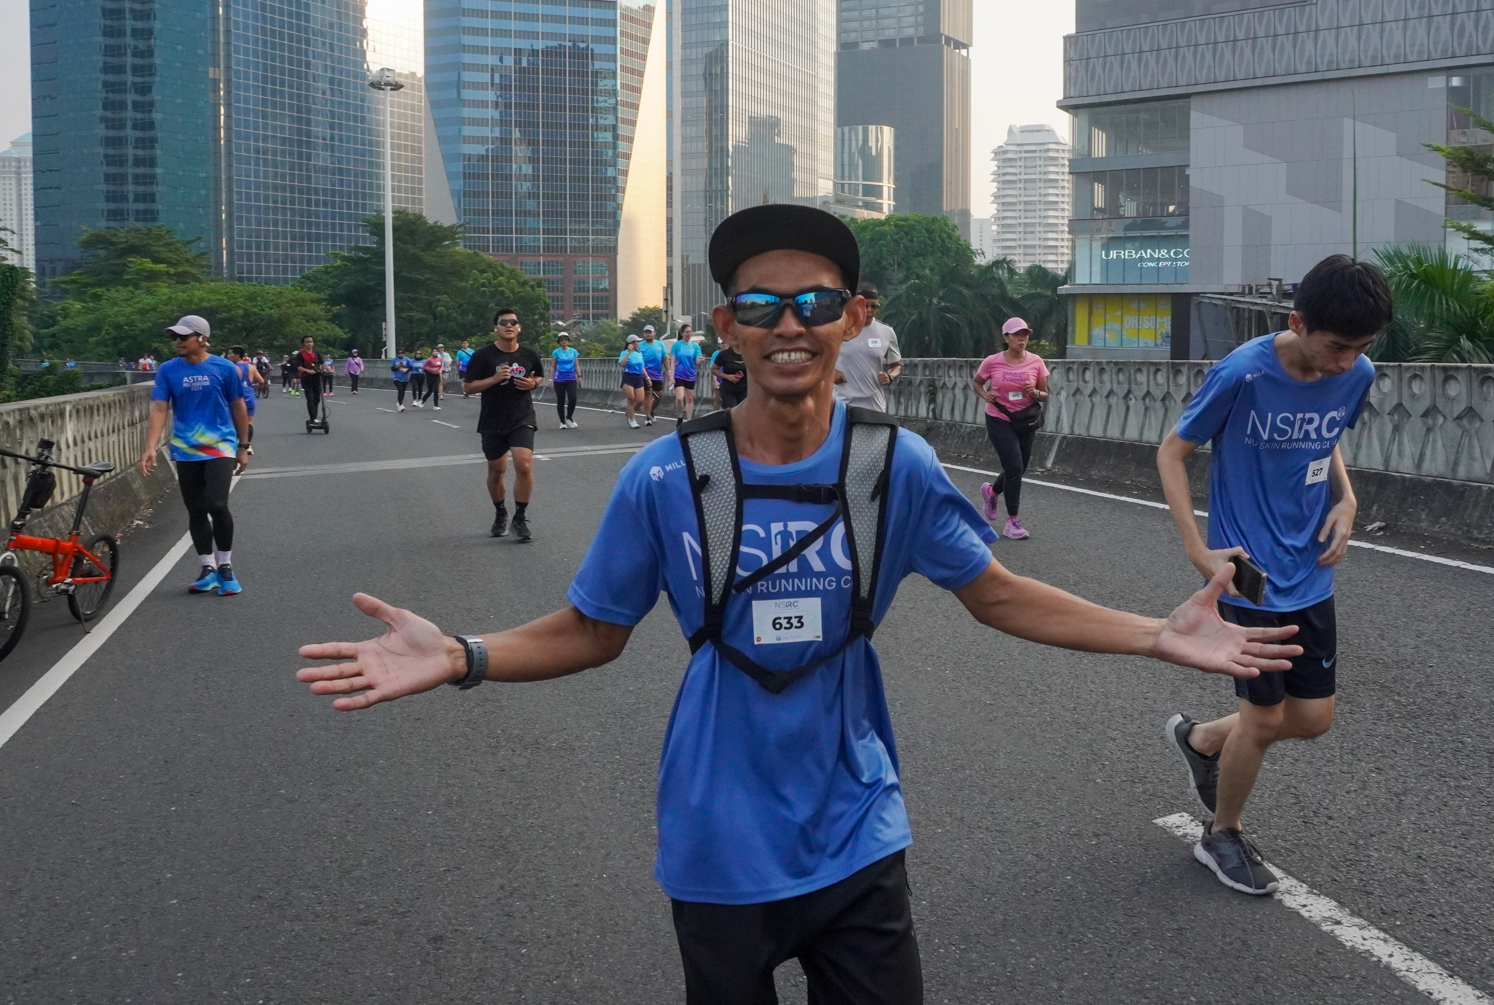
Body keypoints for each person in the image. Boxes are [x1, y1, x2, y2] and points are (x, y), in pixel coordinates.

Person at [296, 203, 1299, 1005]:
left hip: (859, 830)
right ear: (725, 326)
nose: (789, 324)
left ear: (852, 319)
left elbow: (996, 594)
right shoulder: (665, 476)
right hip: (716, 843)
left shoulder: (895, 465)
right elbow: (594, 629)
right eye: (760, 304)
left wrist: (1154, 633)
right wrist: (462, 653)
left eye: (814, 302)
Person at [1157, 254, 1391, 897]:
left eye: (1361, 347)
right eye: (1337, 346)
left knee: (1312, 718)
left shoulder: (1356, 373)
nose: (1348, 361)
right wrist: (1199, 550)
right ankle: (1221, 834)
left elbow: (1327, 435)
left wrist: (1347, 498)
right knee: (1262, 719)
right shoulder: (1244, 373)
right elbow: (1172, 453)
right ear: (1297, 323)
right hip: (1251, 575)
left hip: (1311, 571)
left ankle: (1202, 739)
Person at [139, 315, 250, 595]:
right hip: (185, 448)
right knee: (196, 509)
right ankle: (207, 568)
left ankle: (226, 565)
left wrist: (243, 446)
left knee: (217, 504)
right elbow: (160, 408)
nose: (177, 341)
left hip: (220, 445)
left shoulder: (225, 368)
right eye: (174, 337)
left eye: (183, 337)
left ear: (202, 339)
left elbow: (238, 406)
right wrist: (151, 447)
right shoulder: (168, 370)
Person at [462, 309, 545, 542]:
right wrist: (494, 379)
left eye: (513, 322)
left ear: (519, 327)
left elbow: (538, 375)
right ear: (495, 328)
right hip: (493, 420)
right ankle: (500, 513)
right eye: (503, 322)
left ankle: (520, 518)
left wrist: (532, 383)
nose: (509, 325)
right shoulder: (482, 356)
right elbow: (468, 387)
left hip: (522, 417)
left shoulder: (529, 354)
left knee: (524, 465)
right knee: (497, 471)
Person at [972, 317, 1050, 541]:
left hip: (1025, 419)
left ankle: (992, 492)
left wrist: (1034, 392)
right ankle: (1012, 522)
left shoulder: (1036, 362)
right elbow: (977, 382)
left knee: (1019, 468)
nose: (1021, 339)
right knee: (1014, 466)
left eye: (1025, 334)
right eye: (1016, 334)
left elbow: (1045, 394)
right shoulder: (992, 361)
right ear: (1006, 337)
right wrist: (985, 394)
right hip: (999, 418)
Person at [832, 280, 902, 412]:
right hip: (842, 405)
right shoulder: (838, 329)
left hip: (874, 407)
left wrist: (889, 376)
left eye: (874, 306)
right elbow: (818, 358)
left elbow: (896, 365)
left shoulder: (886, 331)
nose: (869, 310)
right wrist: (831, 373)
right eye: (865, 306)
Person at [227, 346, 264, 444]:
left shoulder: (230, 367)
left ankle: (237, 442)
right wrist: (254, 387)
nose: (228, 356)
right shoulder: (251, 367)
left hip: (235, 398)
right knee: (249, 421)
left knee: (233, 420)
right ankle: (248, 444)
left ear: (237, 355)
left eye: (230, 354)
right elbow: (261, 381)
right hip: (249, 396)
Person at [288, 336, 328, 426]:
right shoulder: (300, 354)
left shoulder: (316, 353)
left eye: (311, 342)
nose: (309, 343)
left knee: (317, 399)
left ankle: (315, 417)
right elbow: (298, 367)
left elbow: (323, 363)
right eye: (307, 342)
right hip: (306, 378)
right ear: (303, 344)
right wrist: (308, 371)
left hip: (316, 377)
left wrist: (329, 370)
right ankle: (313, 418)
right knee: (310, 399)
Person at [669, 324, 703, 422]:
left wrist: (700, 360)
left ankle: (689, 420)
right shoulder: (676, 345)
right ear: (682, 333)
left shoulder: (695, 346)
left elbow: (697, 361)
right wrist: (671, 377)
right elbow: (672, 362)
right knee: (680, 398)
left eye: (690, 332)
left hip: (690, 375)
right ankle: (680, 416)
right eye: (687, 332)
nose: (689, 334)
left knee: (689, 398)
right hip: (678, 375)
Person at [638, 326, 669, 424]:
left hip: (657, 374)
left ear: (654, 333)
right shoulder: (640, 346)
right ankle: (647, 418)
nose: (648, 334)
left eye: (650, 332)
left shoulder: (660, 344)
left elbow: (665, 358)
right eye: (646, 332)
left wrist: (668, 371)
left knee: (658, 395)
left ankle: (650, 411)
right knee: (648, 394)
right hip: (644, 374)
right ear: (644, 334)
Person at [551, 331, 581, 429]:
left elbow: (576, 365)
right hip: (559, 379)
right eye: (562, 340)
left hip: (571, 378)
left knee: (573, 398)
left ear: (568, 341)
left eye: (566, 340)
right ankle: (562, 422)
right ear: (559, 341)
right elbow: (553, 366)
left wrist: (579, 376)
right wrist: (551, 379)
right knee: (561, 400)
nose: (564, 341)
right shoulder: (556, 352)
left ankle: (569, 417)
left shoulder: (573, 351)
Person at [619, 334, 649, 428]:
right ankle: (632, 420)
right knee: (631, 398)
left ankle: (630, 412)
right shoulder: (624, 353)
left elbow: (642, 367)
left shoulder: (639, 353)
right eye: (637, 341)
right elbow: (622, 363)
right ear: (631, 343)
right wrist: (628, 352)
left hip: (638, 377)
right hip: (628, 376)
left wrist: (647, 378)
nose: (638, 343)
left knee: (640, 400)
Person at [709, 337, 746, 411]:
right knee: (731, 410)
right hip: (728, 389)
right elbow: (714, 369)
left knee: (743, 412)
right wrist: (726, 376)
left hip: (745, 389)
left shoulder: (748, 353)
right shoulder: (724, 354)